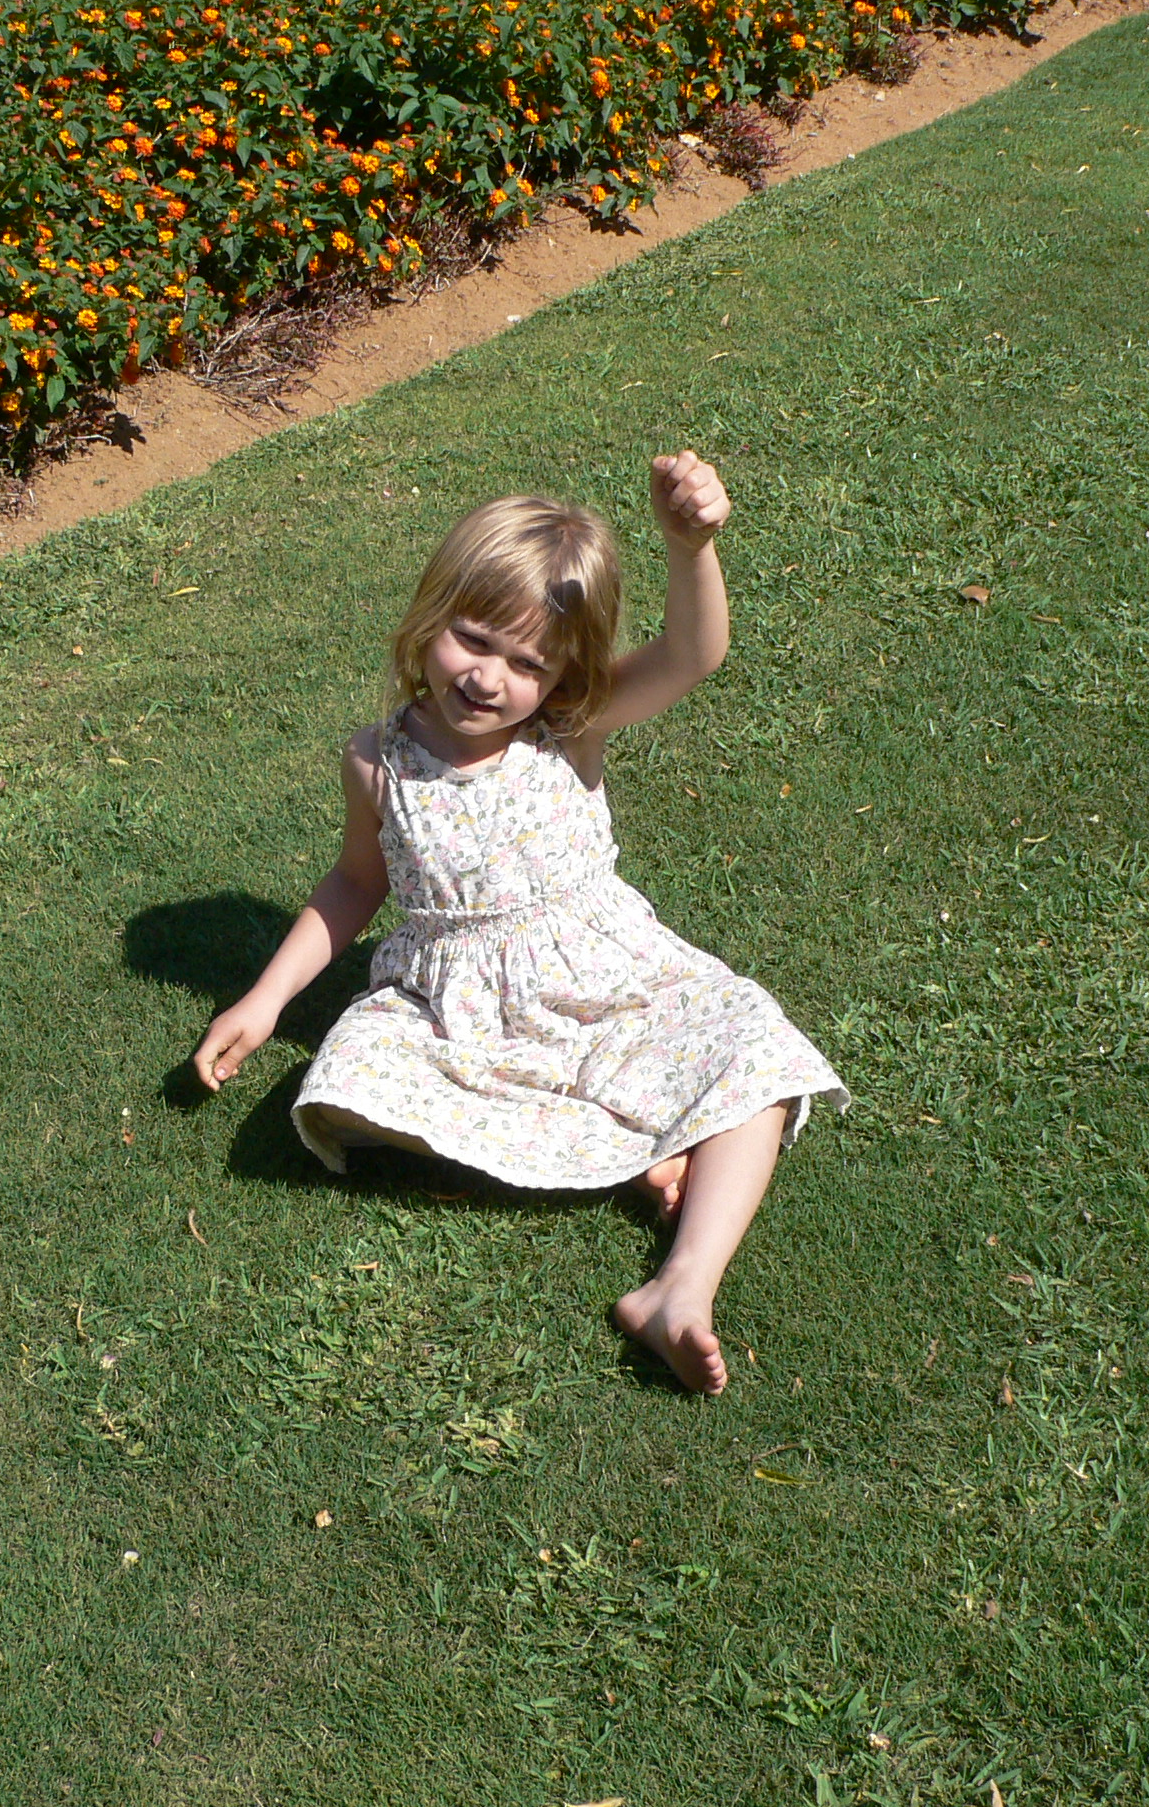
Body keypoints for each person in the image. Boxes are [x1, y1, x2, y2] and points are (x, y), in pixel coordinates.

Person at [192, 453, 846, 1394]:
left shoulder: (570, 728)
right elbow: (354, 885)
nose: (489, 678)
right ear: (432, 615)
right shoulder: (378, 762)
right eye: (473, 639)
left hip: (607, 985)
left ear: (563, 674)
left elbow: (693, 654)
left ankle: (680, 1287)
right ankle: (648, 1146)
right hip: (461, 1013)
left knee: (758, 1046)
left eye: (529, 663)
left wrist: (688, 547)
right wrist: (264, 1003)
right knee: (340, 1088)